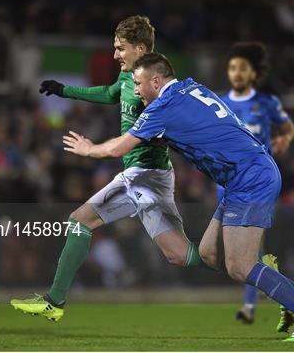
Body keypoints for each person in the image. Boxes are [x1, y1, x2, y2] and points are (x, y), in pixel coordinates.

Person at [62, 52, 294, 342]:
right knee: (207, 254)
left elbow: (117, 149)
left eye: (138, 83)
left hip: (250, 177)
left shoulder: (162, 107)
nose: (135, 90)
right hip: (244, 175)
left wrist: (89, 149)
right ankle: (290, 290)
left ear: (155, 80)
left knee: (239, 265)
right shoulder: (192, 87)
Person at [11, 16, 205, 322]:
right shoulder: (130, 79)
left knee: (79, 221)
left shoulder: (154, 88)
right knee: (180, 254)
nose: (115, 55)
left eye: (120, 48)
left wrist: (93, 149)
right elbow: (110, 93)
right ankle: (249, 264)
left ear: (140, 49)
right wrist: (64, 91)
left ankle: (54, 301)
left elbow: (166, 126)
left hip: (143, 173)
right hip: (155, 176)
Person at [218, 41, 294, 325]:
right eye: (232, 68)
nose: (236, 73)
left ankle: (251, 306)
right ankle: (289, 292)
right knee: (241, 254)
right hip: (227, 184)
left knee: (250, 251)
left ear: (253, 73)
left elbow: (288, 127)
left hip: (256, 184)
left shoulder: (267, 103)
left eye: (242, 68)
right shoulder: (219, 104)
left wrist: (284, 138)